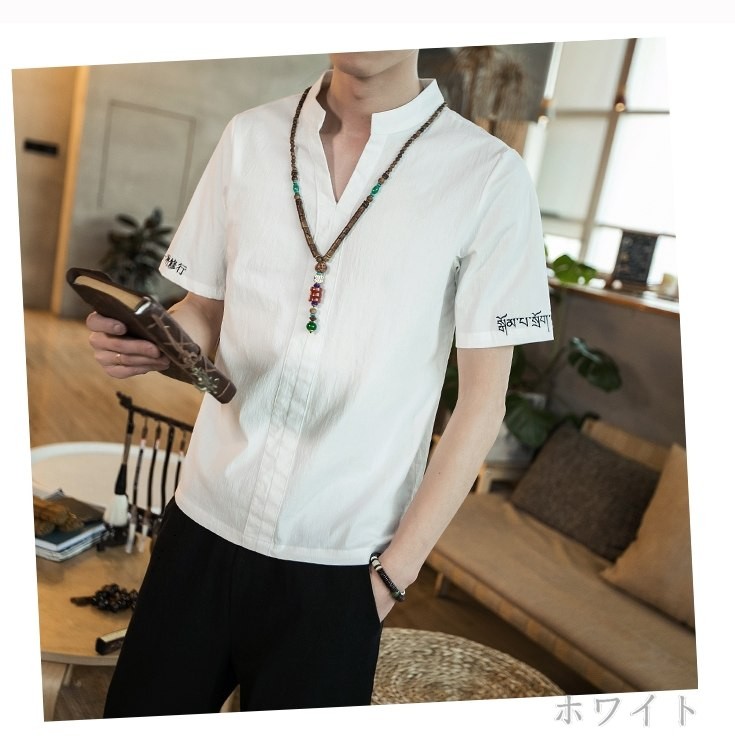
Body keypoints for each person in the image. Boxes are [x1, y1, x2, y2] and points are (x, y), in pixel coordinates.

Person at [86, 49, 554, 717]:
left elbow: (483, 403)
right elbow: (206, 310)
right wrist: (155, 339)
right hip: (201, 525)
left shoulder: (487, 176)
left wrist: (392, 576)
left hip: (341, 568)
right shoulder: (250, 135)